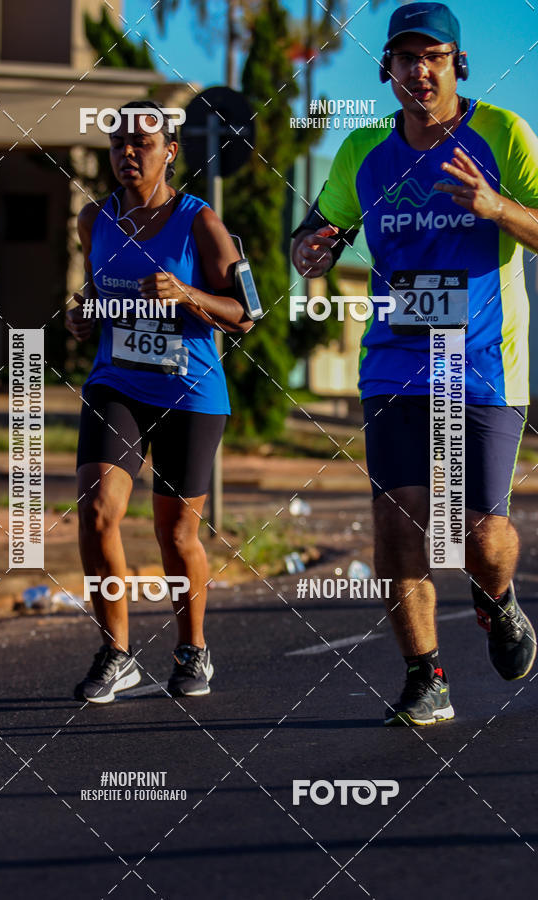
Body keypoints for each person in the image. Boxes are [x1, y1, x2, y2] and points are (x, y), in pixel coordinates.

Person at [291, 2, 538, 725]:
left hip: (484, 361)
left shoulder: (503, 133)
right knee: (400, 521)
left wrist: (498, 208)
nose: (420, 70)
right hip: (396, 361)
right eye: (406, 58)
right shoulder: (363, 150)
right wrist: (311, 249)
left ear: (457, 64)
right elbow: (319, 229)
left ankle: (497, 596)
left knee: (480, 535)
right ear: (388, 70)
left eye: (434, 57)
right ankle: (425, 675)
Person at [66, 100, 253, 703]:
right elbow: (97, 290)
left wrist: (186, 293)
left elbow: (246, 314)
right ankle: (116, 653)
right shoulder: (94, 219)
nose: (127, 152)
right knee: (98, 512)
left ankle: (192, 647)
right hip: (117, 383)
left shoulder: (199, 221)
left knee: (176, 534)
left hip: (189, 391)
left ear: (169, 152)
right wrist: (83, 315)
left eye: (141, 144)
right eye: (117, 142)